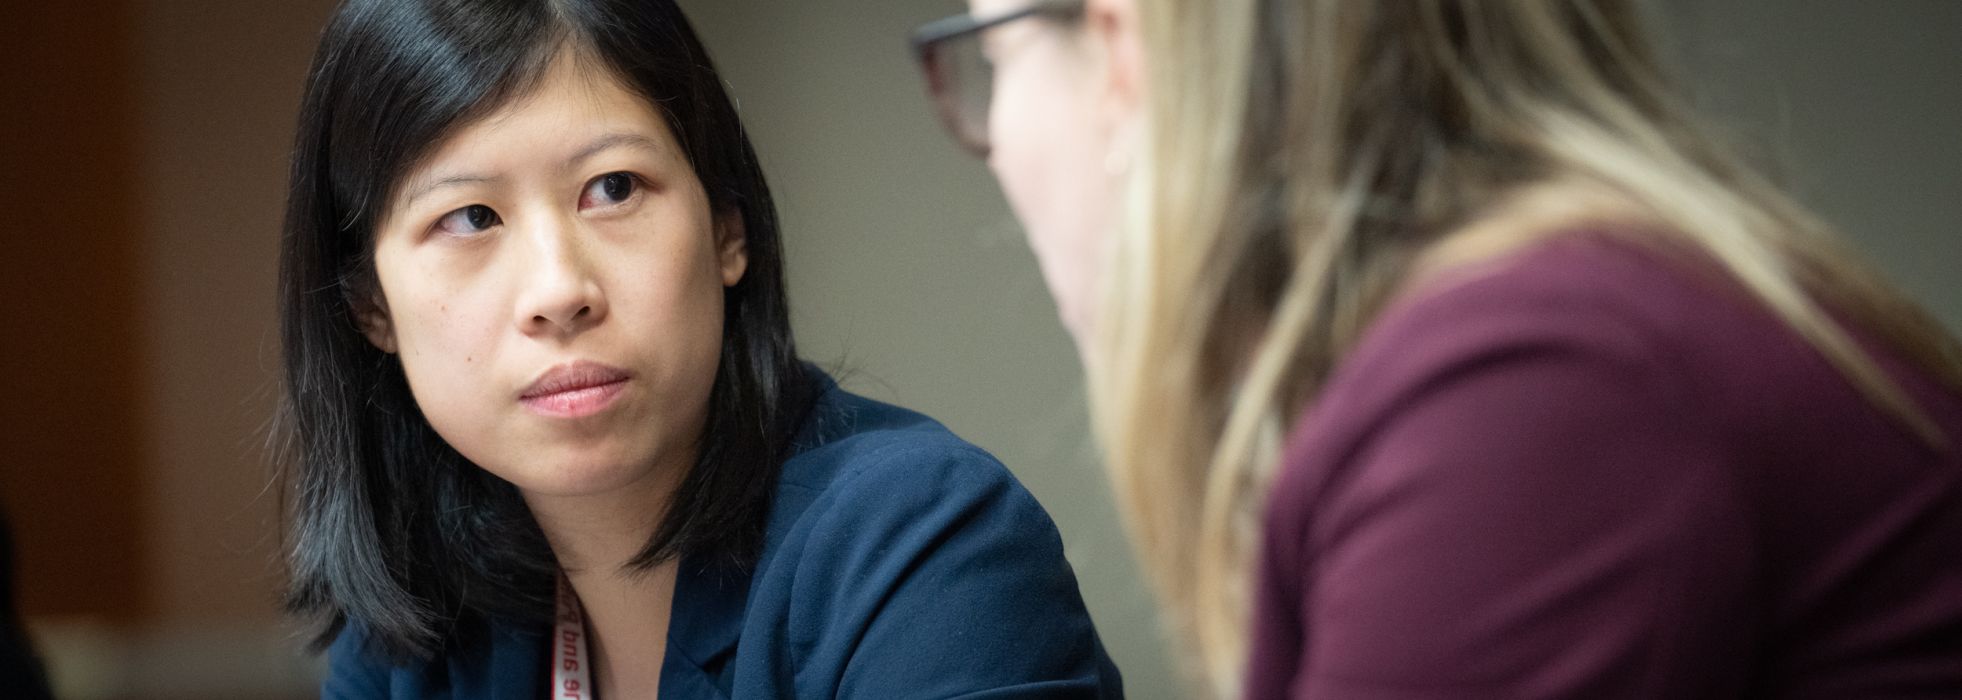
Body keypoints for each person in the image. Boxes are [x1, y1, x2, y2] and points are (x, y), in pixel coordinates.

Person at [911, 0, 1962, 696]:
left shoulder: (1533, 388)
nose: (994, 137)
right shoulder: (1553, 337)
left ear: (1124, 49)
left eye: (993, 55)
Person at [278, 1, 1123, 697]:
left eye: (613, 189)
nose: (558, 290)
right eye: (470, 219)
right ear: (369, 307)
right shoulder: (408, 635)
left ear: (728, 228)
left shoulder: (921, 547)